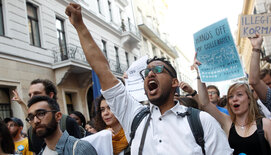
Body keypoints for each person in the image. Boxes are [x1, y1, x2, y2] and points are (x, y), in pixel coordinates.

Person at [65, 3, 232, 154]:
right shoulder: (134, 117)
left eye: (158, 70)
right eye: (146, 72)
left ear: (175, 82)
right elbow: (102, 69)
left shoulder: (201, 122)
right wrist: (79, 26)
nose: (150, 74)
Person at [12, 79, 81, 154]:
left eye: (36, 94)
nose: (32, 98)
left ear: (58, 116)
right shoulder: (32, 131)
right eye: (30, 95)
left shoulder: (68, 122)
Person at [26, 96, 97, 154]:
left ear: (58, 116)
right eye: (31, 117)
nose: (36, 121)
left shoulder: (79, 149)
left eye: (41, 114)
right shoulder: (41, 152)